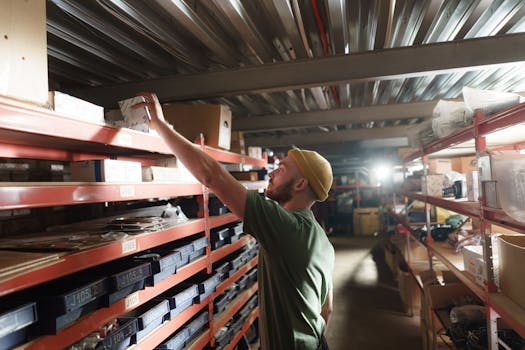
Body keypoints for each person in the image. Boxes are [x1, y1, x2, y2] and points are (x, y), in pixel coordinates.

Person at [135, 93, 335, 350]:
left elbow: (212, 176)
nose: (272, 172)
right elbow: (327, 309)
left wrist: (161, 126)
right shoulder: (320, 239)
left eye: (282, 168)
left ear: (300, 184)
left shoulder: (286, 227)